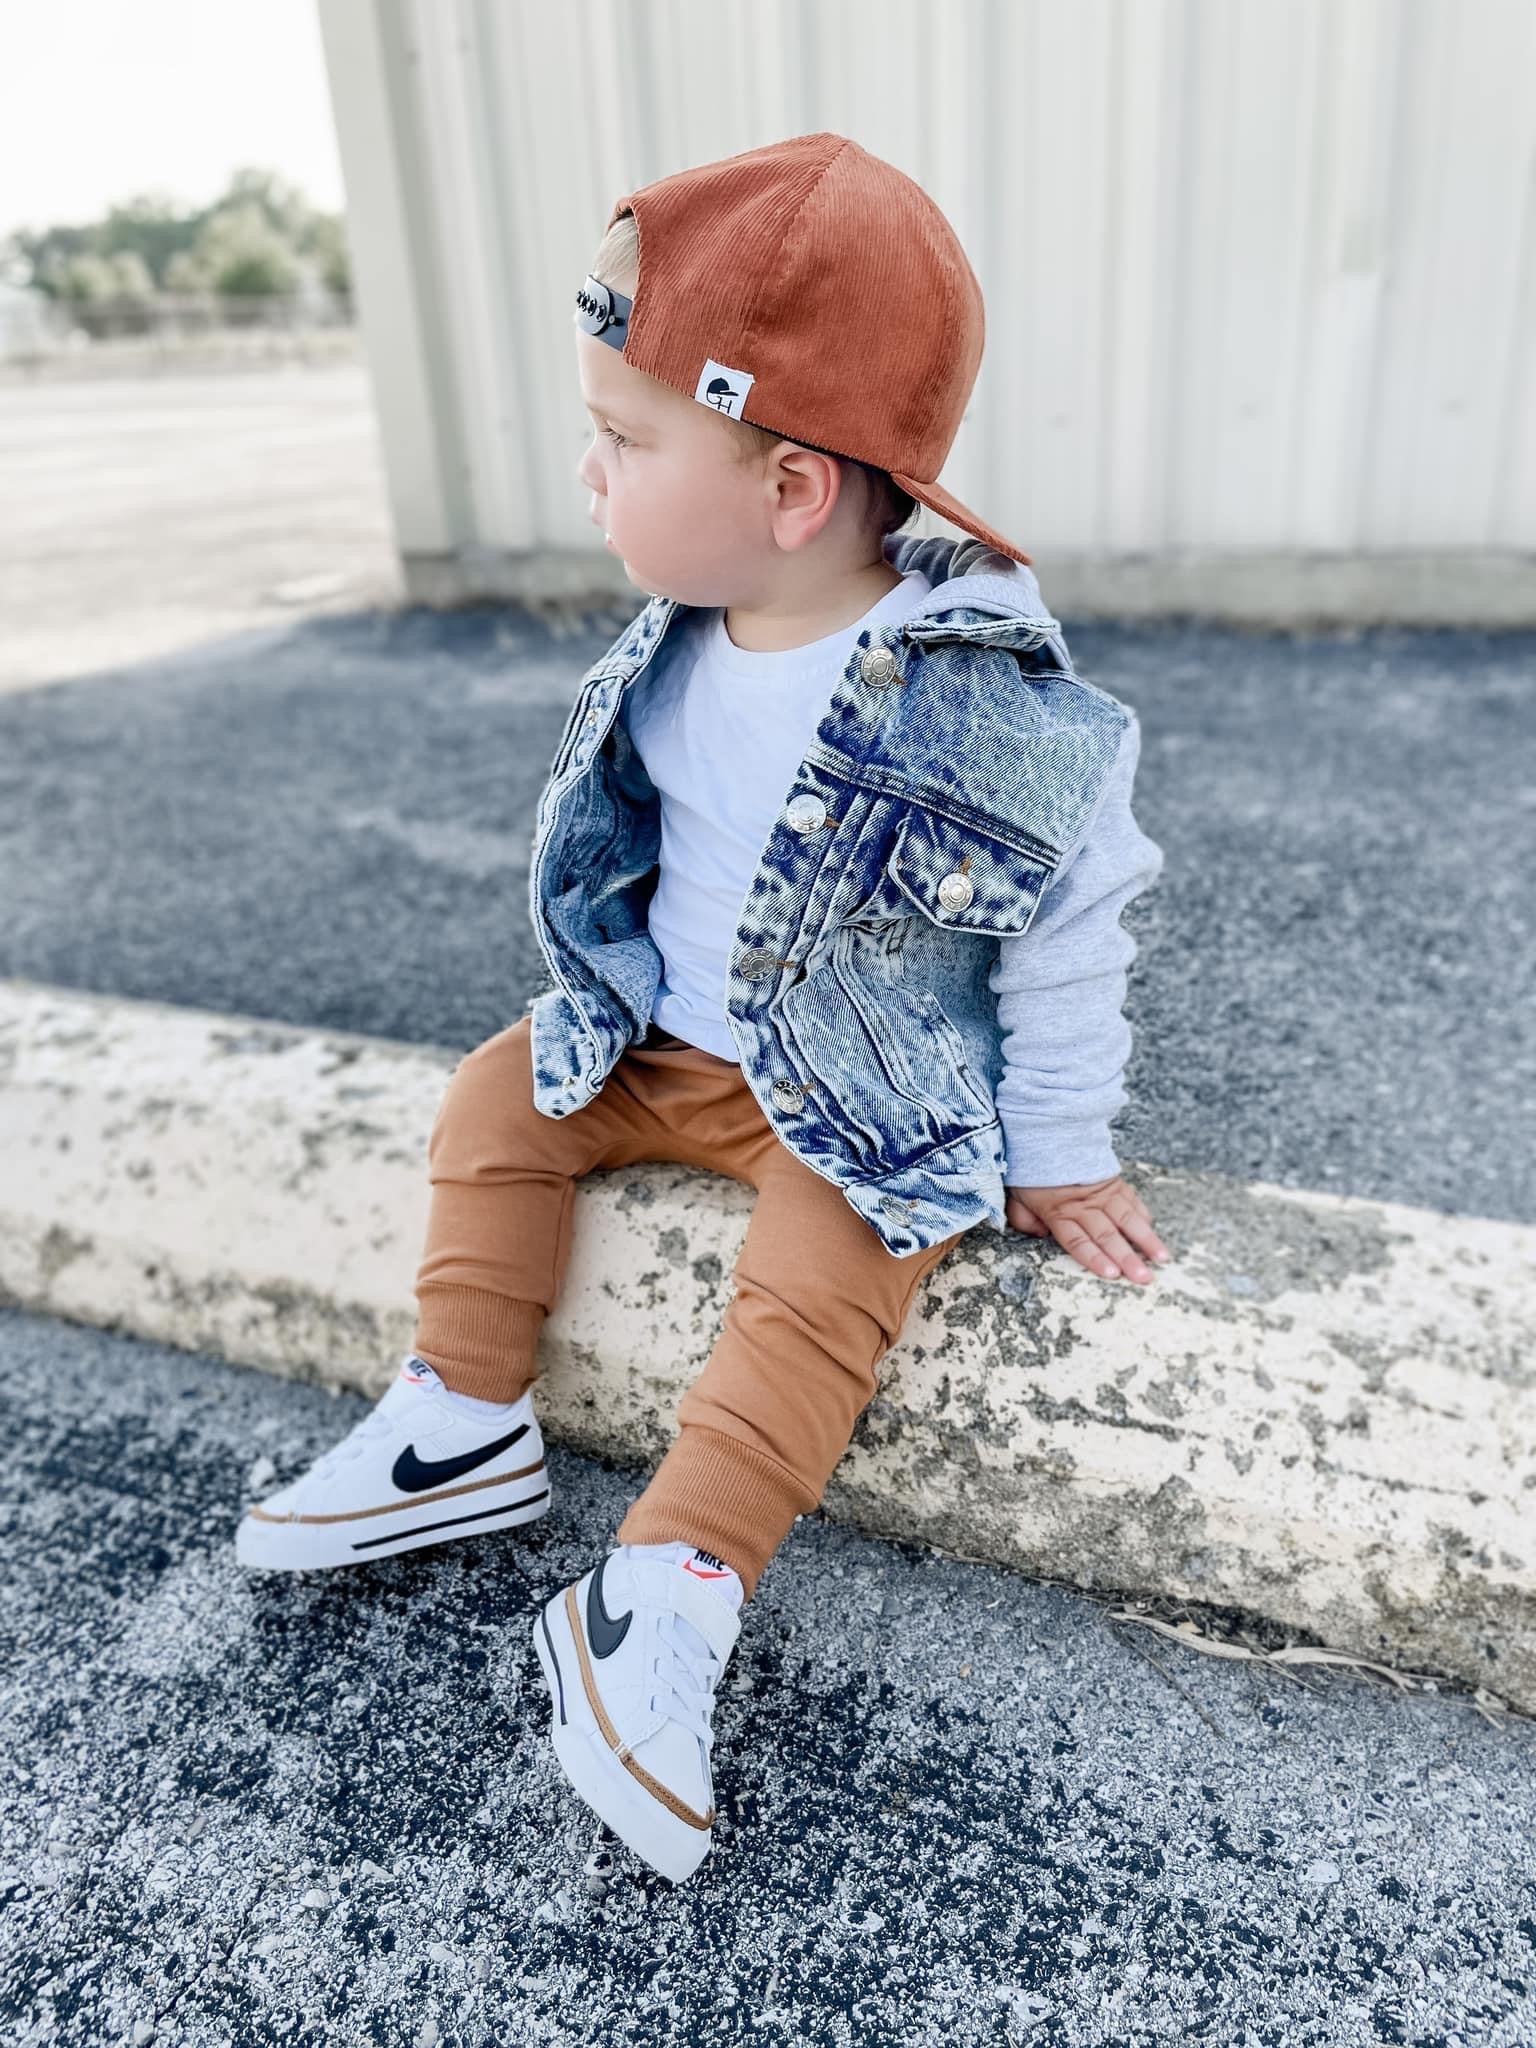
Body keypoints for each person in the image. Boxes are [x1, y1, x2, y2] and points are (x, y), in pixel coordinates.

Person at [234, 132, 1169, 1885]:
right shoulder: (684, 633)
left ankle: (669, 1579)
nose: (587, 472)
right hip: (658, 1038)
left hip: (847, 1088)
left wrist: (1057, 1147)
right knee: (497, 1100)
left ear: (793, 487)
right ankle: (462, 1417)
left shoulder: (986, 709)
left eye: (625, 438)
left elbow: (1071, 929)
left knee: (838, 1265)